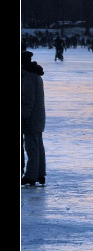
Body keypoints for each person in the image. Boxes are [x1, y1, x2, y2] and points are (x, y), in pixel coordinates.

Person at [21, 51, 46, 186]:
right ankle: (39, 174)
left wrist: (24, 116)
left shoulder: (28, 77)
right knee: (37, 147)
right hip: (37, 117)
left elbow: (27, 100)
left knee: (32, 148)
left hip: (31, 118)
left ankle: (31, 175)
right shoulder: (34, 75)